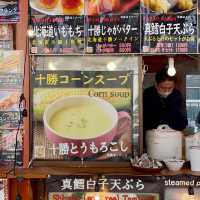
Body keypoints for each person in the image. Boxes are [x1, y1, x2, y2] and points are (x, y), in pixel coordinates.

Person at [143, 67, 188, 134]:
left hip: (173, 134)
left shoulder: (176, 95)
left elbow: (181, 116)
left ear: (174, 85)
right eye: (163, 88)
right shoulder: (147, 94)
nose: (166, 91)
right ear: (156, 85)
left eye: (170, 88)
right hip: (152, 134)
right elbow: (144, 119)